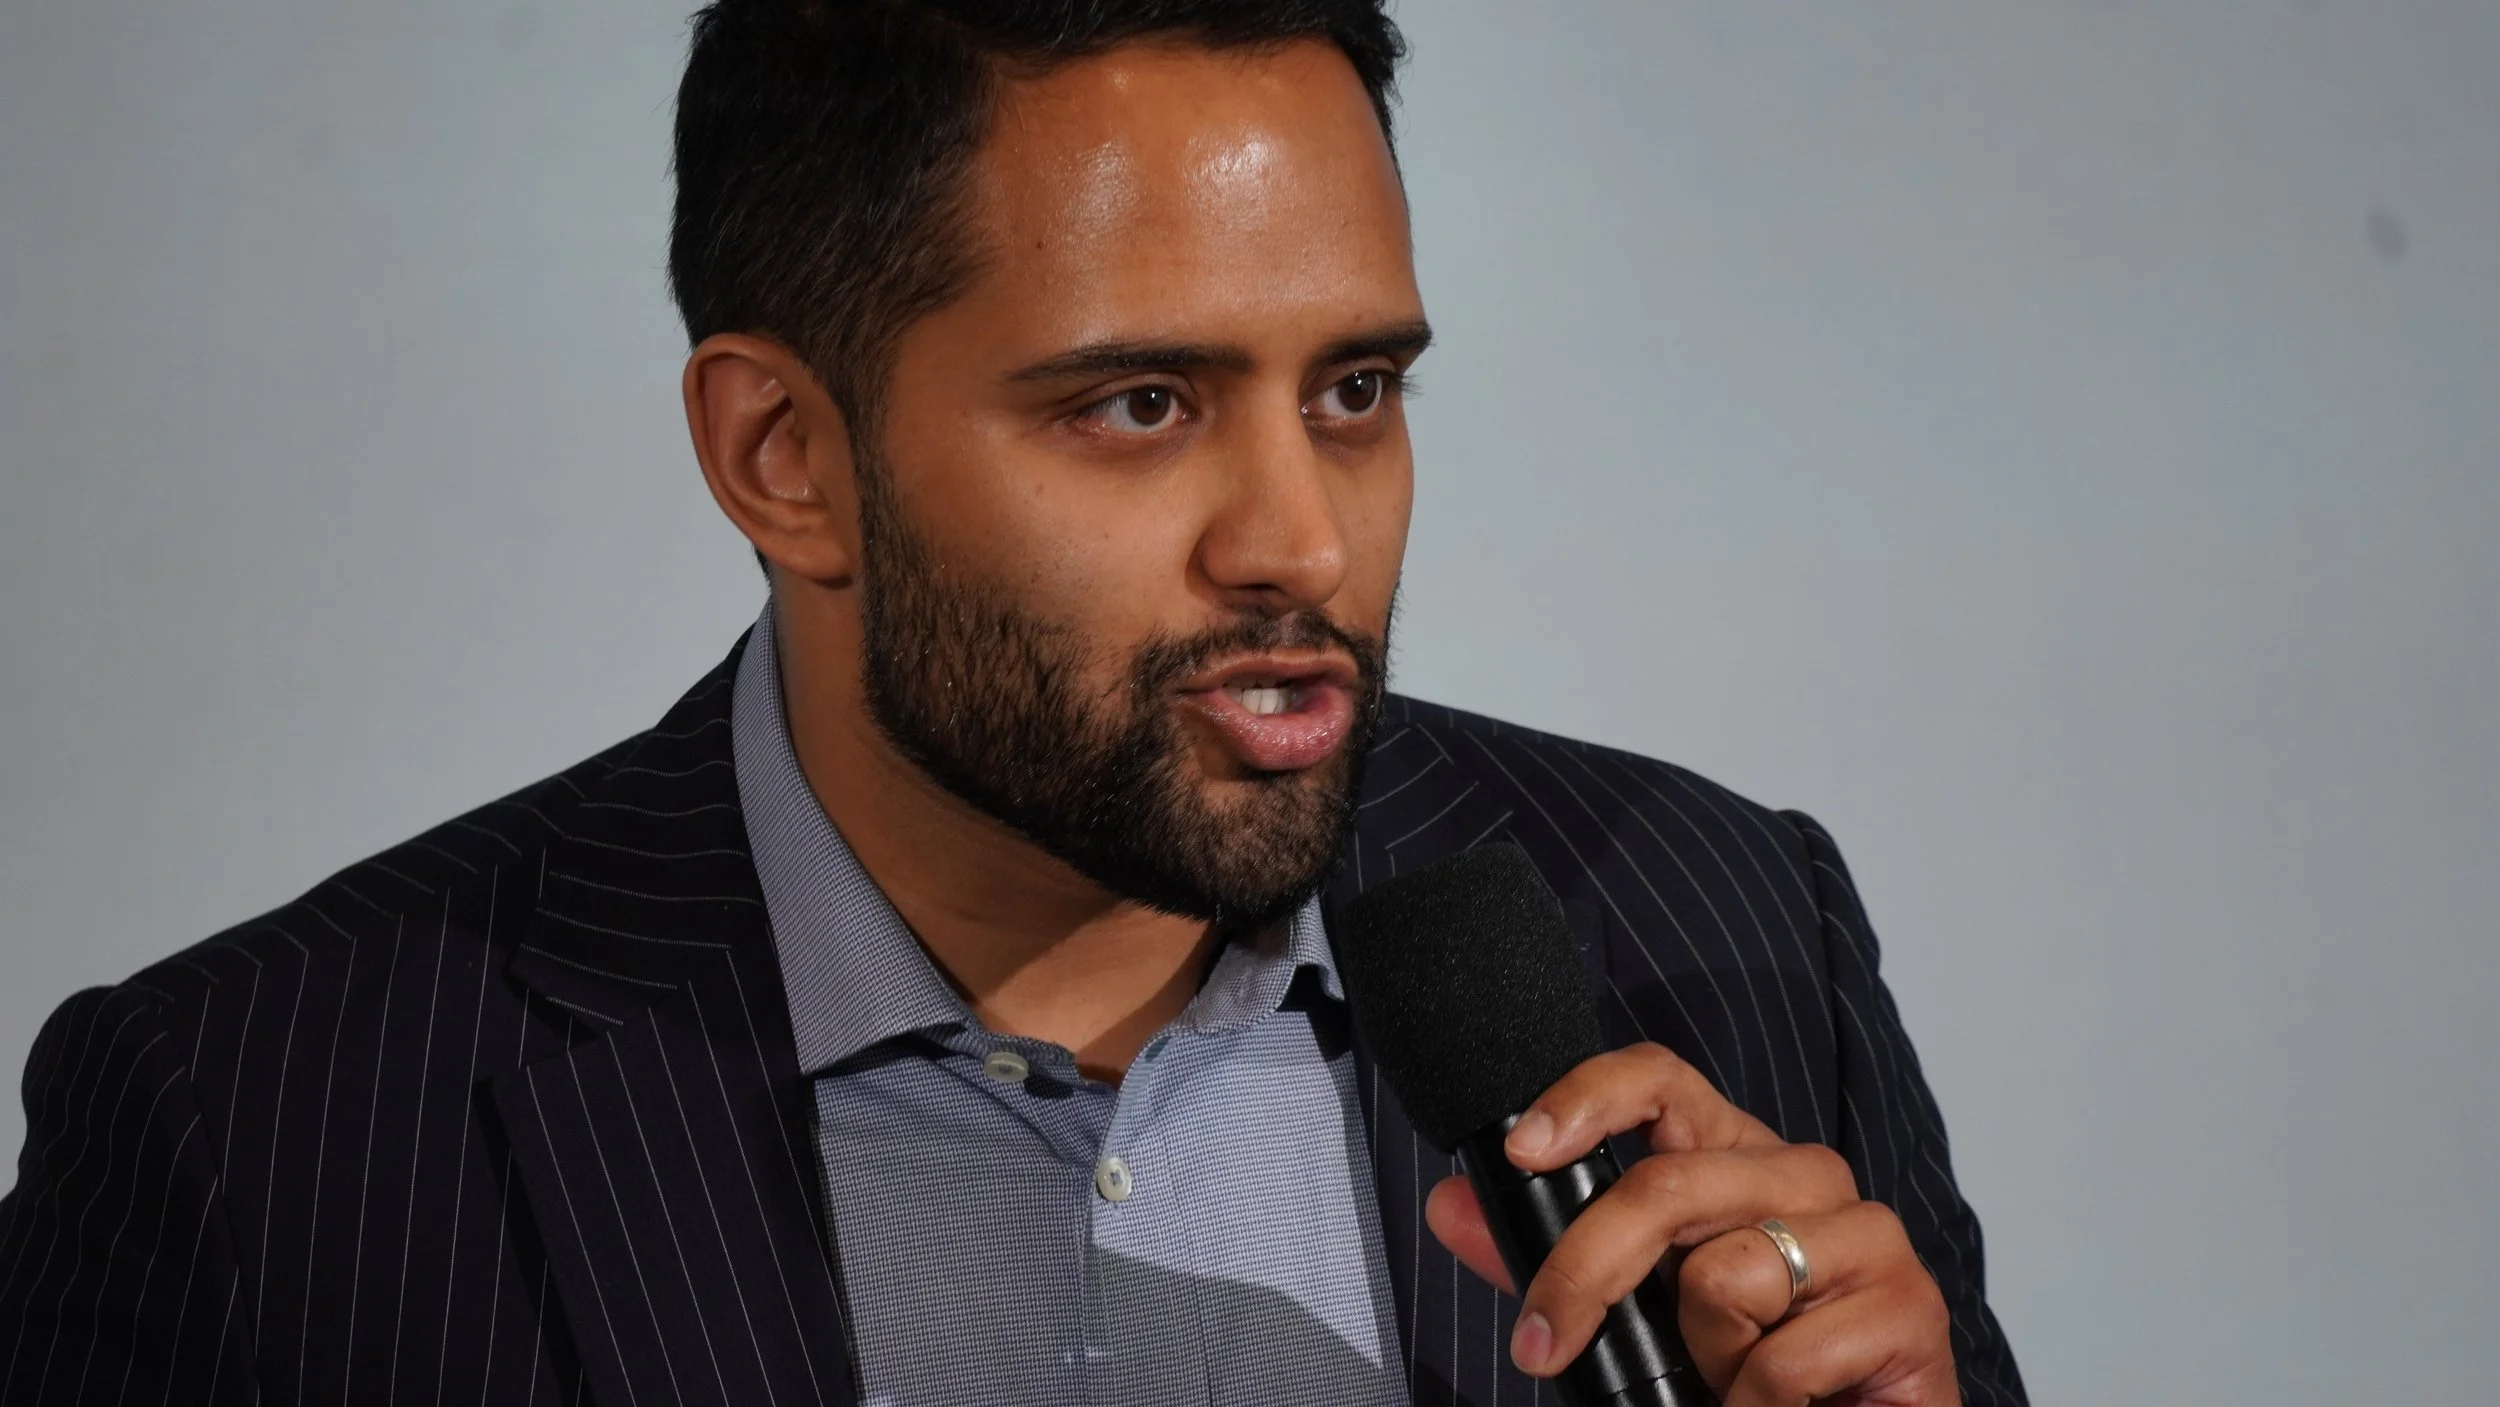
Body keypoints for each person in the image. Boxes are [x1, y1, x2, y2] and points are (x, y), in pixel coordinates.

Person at [0, 3, 2026, 1403]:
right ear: (784, 455)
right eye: (1140, 405)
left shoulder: (1717, 929)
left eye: (1353, 392)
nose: (1298, 540)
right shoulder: (253, 1119)